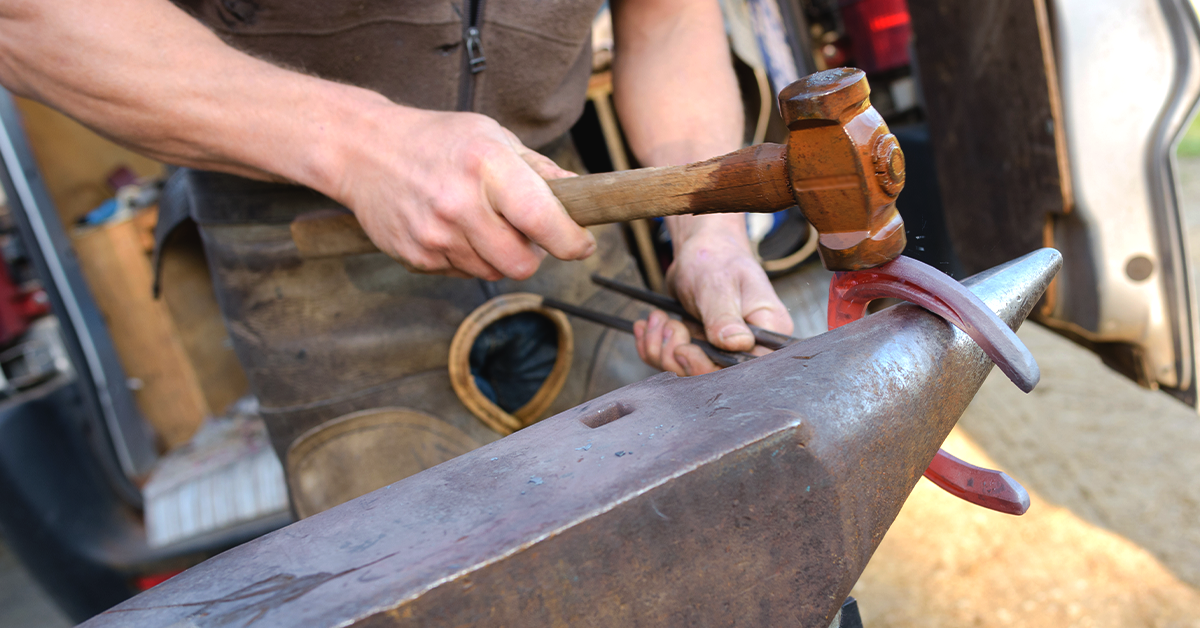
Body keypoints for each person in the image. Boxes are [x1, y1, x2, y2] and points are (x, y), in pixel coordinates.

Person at [0, 0, 796, 511]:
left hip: (563, 210)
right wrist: (358, 144)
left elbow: (670, 20)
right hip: (306, 253)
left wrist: (710, 235)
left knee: (686, 528)